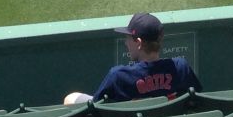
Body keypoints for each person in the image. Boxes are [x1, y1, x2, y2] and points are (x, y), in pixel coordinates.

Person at [65, 13, 201, 104]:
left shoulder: (119, 76)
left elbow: (97, 109)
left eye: (128, 38)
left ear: (139, 42)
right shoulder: (181, 67)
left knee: (70, 99)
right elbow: (197, 100)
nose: (126, 43)